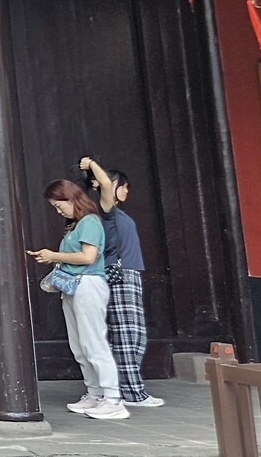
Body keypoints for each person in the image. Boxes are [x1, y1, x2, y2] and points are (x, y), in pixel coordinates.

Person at [30, 179, 126, 420]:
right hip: (74, 288)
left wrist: (54, 256)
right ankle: (95, 394)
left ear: (71, 198)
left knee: (94, 343)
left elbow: (88, 257)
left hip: (88, 284)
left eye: (59, 205)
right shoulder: (76, 225)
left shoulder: (90, 222)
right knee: (80, 346)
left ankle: (113, 399)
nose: (58, 211)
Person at [82, 155, 162, 409]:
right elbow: (105, 185)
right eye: (122, 186)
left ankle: (127, 388)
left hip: (129, 274)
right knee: (127, 335)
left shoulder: (114, 213)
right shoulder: (106, 211)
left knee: (134, 334)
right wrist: (91, 165)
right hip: (120, 275)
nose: (126, 191)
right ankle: (132, 392)